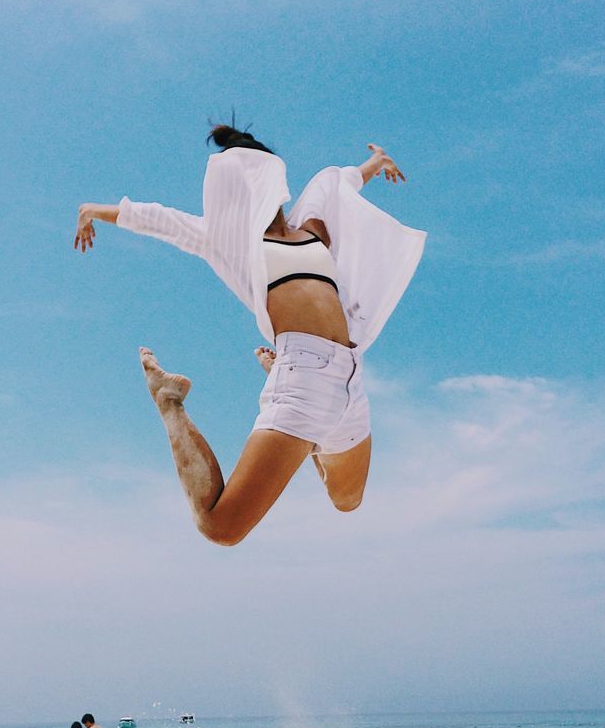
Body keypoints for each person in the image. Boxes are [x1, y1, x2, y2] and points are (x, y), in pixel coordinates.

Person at [75, 126, 425, 545]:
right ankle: (169, 400)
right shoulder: (233, 244)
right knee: (221, 528)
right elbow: (162, 221)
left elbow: (338, 183)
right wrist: (94, 209)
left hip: (350, 376)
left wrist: (375, 162)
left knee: (346, 500)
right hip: (303, 380)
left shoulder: (309, 228)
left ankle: (306, 435)